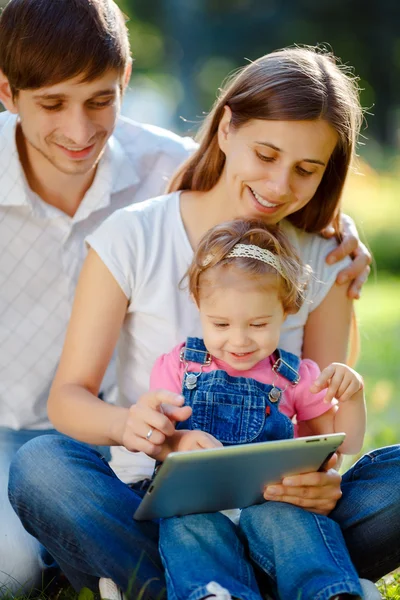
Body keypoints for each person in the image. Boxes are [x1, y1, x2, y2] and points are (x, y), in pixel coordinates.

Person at [8, 45, 399, 600]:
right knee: (42, 466)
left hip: (280, 513)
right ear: (225, 129)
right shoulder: (135, 236)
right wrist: (131, 428)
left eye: (306, 169)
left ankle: (203, 586)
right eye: (265, 154)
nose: (280, 185)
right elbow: (68, 399)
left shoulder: (326, 257)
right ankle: (287, 583)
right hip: (162, 506)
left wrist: (321, 478)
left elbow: (322, 426)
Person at [0, 0, 198, 594]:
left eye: (100, 100)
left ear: (126, 79)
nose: (79, 131)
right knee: (12, 574)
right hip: (6, 431)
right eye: (53, 104)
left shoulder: (173, 169)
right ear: (6, 91)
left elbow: (271, 196)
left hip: (125, 432)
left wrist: (338, 234)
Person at [150, 217, 368, 600]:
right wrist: (178, 441)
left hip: (274, 503)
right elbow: (157, 439)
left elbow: (342, 444)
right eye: (220, 323)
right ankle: (215, 593)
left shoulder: (296, 376)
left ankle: (329, 591)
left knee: (293, 523)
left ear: (286, 312)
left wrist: (352, 396)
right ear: (198, 306)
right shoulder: (178, 366)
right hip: (198, 504)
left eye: (258, 324)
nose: (239, 340)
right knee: (187, 528)